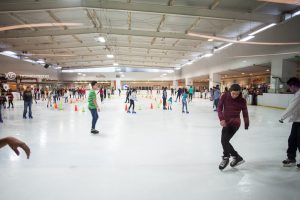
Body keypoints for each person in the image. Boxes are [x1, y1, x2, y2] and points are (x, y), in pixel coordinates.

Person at [217, 84, 249, 170]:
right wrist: (221, 119)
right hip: (226, 122)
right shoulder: (225, 96)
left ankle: (226, 157)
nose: (235, 96)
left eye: (237, 94)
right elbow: (219, 108)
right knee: (224, 140)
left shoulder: (242, 101)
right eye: (233, 93)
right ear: (230, 91)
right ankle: (236, 156)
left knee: (224, 140)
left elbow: (245, 113)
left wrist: (246, 124)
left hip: (235, 123)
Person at [279, 77, 300, 169]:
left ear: (294, 86)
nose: (290, 89)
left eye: (290, 87)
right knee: (292, 140)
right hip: (297, 121)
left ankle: (291, 158)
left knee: (298, 141)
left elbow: (292, 107)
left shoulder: (299, 94)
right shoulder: (297, 93)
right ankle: (291, 158)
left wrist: (282, 117)